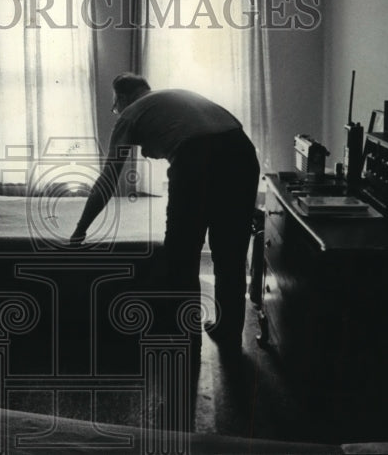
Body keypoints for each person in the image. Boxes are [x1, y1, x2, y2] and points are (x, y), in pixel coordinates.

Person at [70, 73, 261, 345]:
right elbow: (217, 133)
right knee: (229, 251)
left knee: (182, 251)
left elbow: (108, 180)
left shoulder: (129, 114)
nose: (116, 111)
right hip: (243, 153)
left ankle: (185, 331)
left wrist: (80, 230)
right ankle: (228, 330)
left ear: (122, 98)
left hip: (196, 158)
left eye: (115, 105)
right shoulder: (179, 96)